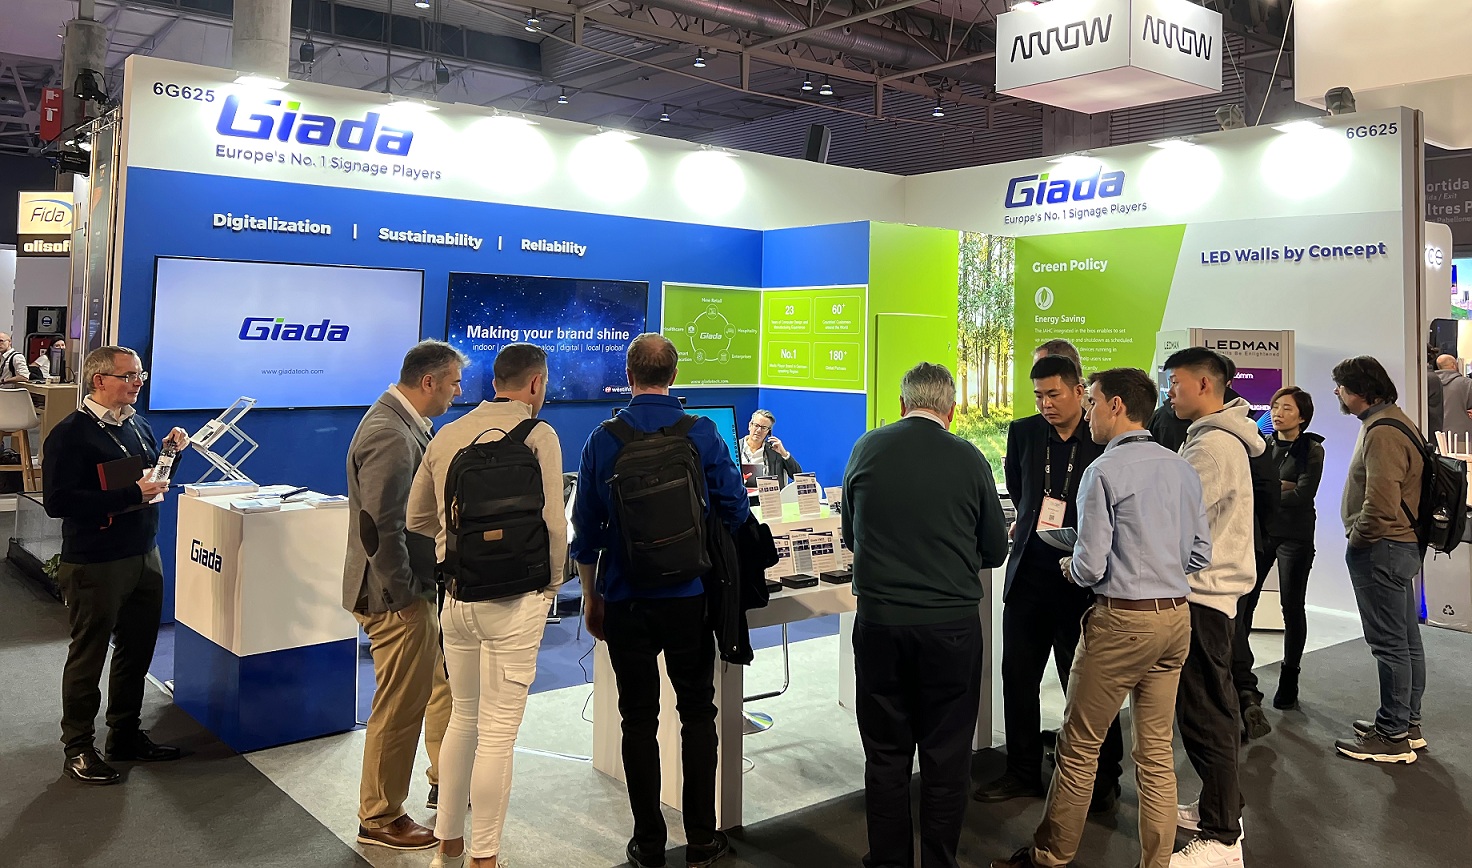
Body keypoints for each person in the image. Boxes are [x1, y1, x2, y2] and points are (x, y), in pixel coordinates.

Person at [992, 367, 1209, 868]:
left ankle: (1050, 856)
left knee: (1078, 745)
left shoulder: (1104, 471)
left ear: (1116, 405)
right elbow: (1200, 553)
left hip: (1123, 621)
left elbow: (1089, 567)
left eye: (1091, 402)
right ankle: (1156, 862)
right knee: (1156, 754)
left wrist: (1071, 564)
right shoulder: (1181, 467)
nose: (1088, 412)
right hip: (1175, 619)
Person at [572, 333, 750, 868]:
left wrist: (591, 597)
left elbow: (586, 532)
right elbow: (736, 510)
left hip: (626, 598)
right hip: (690, 597)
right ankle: (701, 840)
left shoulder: (602, 439)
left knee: (637, 720)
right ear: (673, 377)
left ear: (629, 376)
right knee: (697, 713)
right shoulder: (703, 432)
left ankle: (648, 844)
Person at [843, 361, 1008, 868]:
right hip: (950, 629)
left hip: (880, 625)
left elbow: (850, 535)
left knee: (886, 755)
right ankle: (939, 861)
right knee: (947, 756)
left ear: (902, 404)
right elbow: (995, 548)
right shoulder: (969, 458)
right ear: (951, 410)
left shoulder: (867, 448)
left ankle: (889, 861)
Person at [407, 343, 565, 868]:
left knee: (463, 719)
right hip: (517, 601)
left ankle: (448, 847)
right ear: (535, 383)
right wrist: (551, 587)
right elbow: (554, 523)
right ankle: (485, 858)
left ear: (495, 382)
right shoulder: (539, 435)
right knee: (498, 734)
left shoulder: (447, 434)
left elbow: (416, 519)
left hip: (457, 597)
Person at [974, 355, 1124, 812]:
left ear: (1079, 391)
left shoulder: (1102, 439)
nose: (1045, 404)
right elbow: (1021, 491)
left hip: (1082, 582)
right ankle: (1022, 771)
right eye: (1038, 396)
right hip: (1029, 576)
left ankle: (1103, 778)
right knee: (1018, 677)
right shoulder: (1023, 433)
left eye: (1053, 394)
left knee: (1086, 685)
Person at [44, 346, 189, 785]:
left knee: (137, 649)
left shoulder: (137, 425)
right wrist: (130, 495)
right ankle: (78, 748)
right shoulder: (70, 435)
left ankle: (124, 734)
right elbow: (58, 502)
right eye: (128, 376)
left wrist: (172, 453)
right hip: (96, 560)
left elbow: (150, 480)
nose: (137, 383)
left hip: (143, 552)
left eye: (140, 375)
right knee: (88, 655)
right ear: (99, 380)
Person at [342, 340, 460, 851]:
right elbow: (380, 528)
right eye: (453, 383)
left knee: (432, 690)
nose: (458, 393)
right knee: (398, 707)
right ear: (428, 381)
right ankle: (380, 817)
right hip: (397, 596)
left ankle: (443, 777)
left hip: (413, 588)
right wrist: (404, 598)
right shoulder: (390, 433)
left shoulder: (406, 424)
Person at [1162, 347, 1262, 868]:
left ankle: (1223, 838)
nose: (1170, 393)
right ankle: (1218, 809)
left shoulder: (1213, 447)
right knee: (1205, 707)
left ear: (1205, 384)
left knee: (1206, 712)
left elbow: (1177, 516)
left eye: (1175, 382)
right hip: (1207, 591)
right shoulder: (1210, 439)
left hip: (1202, 593)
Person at [1331, 355, 1427, 764]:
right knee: (1404, 640)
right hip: (1399, 546)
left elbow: (1381, 504)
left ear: (1360, 390)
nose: (1337, 393)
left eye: (1340, 386)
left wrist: (1357, 541)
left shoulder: (1383, 431)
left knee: (1389, 645)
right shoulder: (1393, 420)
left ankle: (1392, 736)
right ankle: (1406, 724)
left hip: (1382, 548)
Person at [1233, 388, 1323, 712]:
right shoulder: (1263, 444)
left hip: (1295, 537)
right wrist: (1280, 488)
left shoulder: (1311, 449)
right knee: (1245, 603)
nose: (1277, 413)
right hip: (1263, 533)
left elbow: (1303, 494)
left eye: (1286, 408)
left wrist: (1271, 491)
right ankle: (1239, 674)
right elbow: (1250, 487)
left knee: (1292, 606)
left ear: (1302, 416)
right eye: (1274, 406)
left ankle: (1290, 676)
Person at [741, 409, 801, 486]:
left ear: (768, 432)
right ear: (750, 425)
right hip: (739, 493)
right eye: (756, 425)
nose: (759, 430)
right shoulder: (734, 447)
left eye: (764, 428)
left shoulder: (774, 452)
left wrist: (784, 453)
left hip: (767, 493)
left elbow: (798, 476)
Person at [1433, 354, 1472, 442]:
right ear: (1454, 365)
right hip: (1464, 436)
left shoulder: (1428, 383)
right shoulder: (1467, 384)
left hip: (1436, 436)